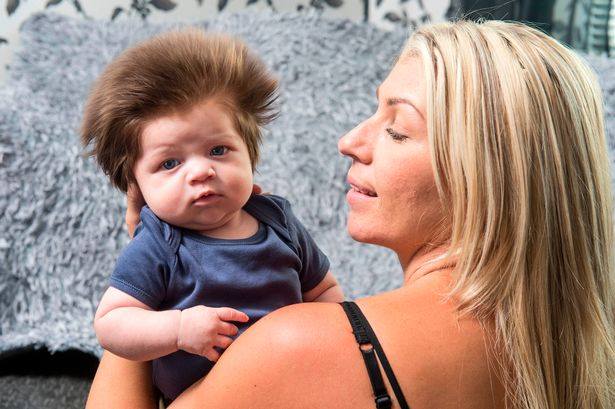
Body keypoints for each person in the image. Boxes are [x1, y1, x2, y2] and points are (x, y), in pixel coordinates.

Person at [86, 19, 615, 409]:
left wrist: (149, 251)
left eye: (397, 128)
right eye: (372, 110)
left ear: (487, 174)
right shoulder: (578, 353)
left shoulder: (298, 347)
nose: (349, 142)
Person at [80, 29, 345, 403]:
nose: (200, 171)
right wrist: (177, 329)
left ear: (250, 154)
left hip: (295, 387)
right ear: (136, 185)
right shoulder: (160, 243)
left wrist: (333, 343)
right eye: (170, 163)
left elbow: (324, 291)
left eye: (218, 150)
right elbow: (111, 324)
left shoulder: (278, 221)